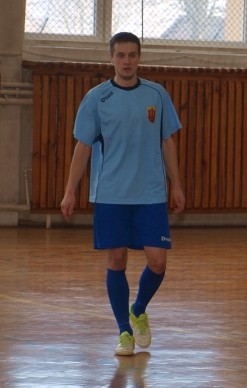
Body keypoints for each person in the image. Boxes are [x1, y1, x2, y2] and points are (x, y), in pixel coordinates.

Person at [60, 32, 186, 356]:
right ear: (111, 58)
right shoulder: (96, 98)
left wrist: (176, 184)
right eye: (120, 55)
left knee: (158, 262)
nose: (126, 61)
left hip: (151, 193)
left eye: (132, 55)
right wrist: (70, 190)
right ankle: (124, 332)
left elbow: (168, 142)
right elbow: (83, 146)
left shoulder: (156, 95)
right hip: (111, 194)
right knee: (116, 259)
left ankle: (138, 308)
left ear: (139, 58)